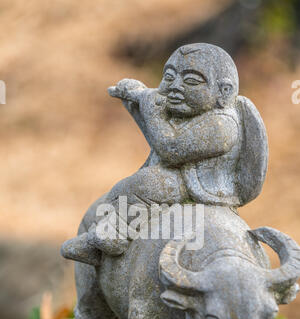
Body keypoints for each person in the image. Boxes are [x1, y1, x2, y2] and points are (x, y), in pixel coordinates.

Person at [61, 43, 268, 261]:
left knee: (143, 185)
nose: (175, 87)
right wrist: (134, 104)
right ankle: (107, 232)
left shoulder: (222, 125)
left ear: (224, 91)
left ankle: (113, 235)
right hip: (182, 176)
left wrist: (149, 104)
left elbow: (170, 149)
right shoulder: (187, 114)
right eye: (169, 77)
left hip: (199, 185)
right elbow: (157, 139)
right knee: (131, 186)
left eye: (191, 81)